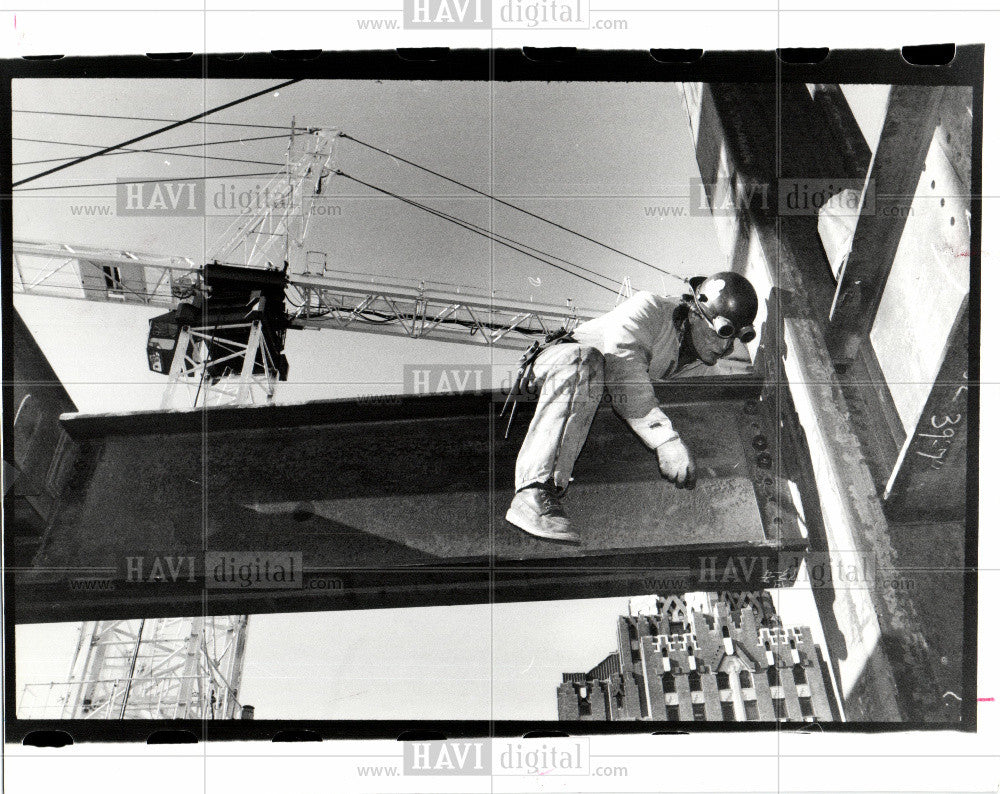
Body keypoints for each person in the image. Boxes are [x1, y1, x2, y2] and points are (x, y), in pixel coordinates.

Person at [505, 271, 759, 543]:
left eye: (734, 338)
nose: (726, 347)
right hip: (554, 376)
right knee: (584, 358)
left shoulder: (703, 369)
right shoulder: (648, 308)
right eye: (721, 333)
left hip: (594, 406)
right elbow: (624, 373)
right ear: (695, 313)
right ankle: (532, 493)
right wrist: (665, 441)